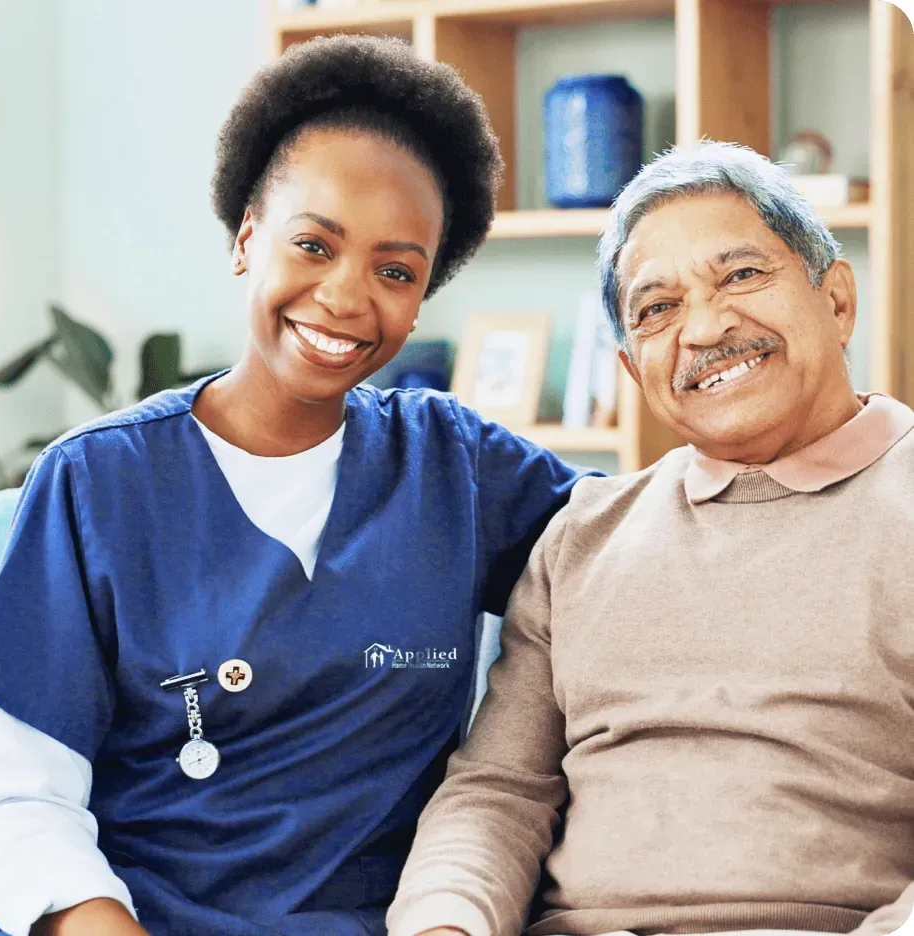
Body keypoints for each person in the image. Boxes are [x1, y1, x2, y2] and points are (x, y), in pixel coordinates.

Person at [0, 34, 598, 936]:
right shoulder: (98, 481)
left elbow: (645, 550)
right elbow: (21, 804)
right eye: (314, 245)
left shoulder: (457, 466)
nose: (348, 297)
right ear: (246, 240)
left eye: (396, 270)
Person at [386, 141, 914, 936]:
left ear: (837, 300)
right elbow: (498, 792)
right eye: (657, 309)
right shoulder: (583, 536)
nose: (704, 327)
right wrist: (445, 923)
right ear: (635, 372)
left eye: (741, 275)